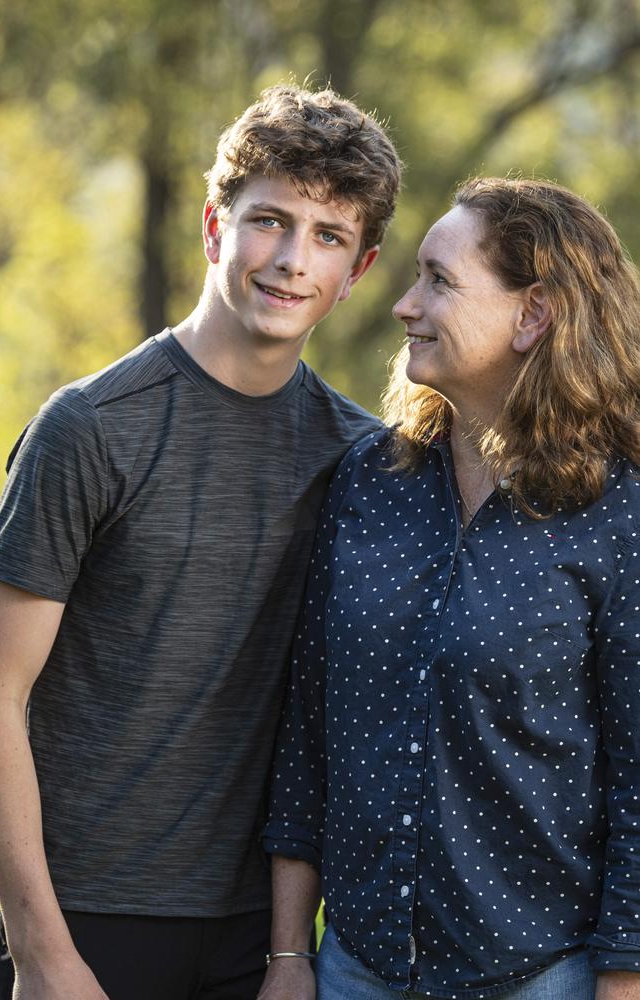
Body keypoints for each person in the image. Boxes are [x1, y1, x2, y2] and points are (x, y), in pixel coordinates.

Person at [0, 84, 401, 1000]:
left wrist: (294, 949)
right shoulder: (90, 428)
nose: (292, 262)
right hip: (86, 919)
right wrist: (39, 953)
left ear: (360, 269)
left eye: (327, 237)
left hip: (254, 935)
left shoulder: (361, 458)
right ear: (215, 227)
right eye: (270, 222)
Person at [261, 177, 640, 1000]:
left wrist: (623, 984)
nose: (404, 304)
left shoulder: (621, 513)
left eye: (439, 279)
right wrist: (289, 953)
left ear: (532, 314)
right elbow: (307, 735)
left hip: (544, 976)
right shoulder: (368, 479)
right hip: (352, 970)